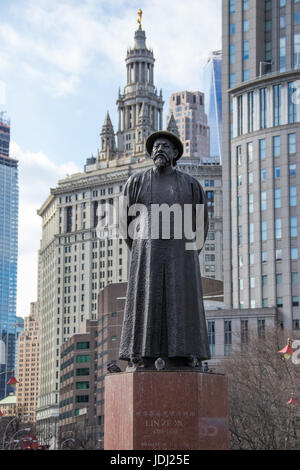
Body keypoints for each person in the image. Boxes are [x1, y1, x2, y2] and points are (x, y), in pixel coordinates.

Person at [119, 130, 211, 370]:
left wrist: (187, 252)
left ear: (175, 153)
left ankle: (188, 352)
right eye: (156, 146)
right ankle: (141, 354)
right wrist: (142, 248)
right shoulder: (136, 182)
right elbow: (124, 224)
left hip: (182, 254)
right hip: (147, 252)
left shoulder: (191, 185)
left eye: (165, 146)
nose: (159, 149)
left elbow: (201, 226)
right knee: (146, 299)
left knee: (183, 301)